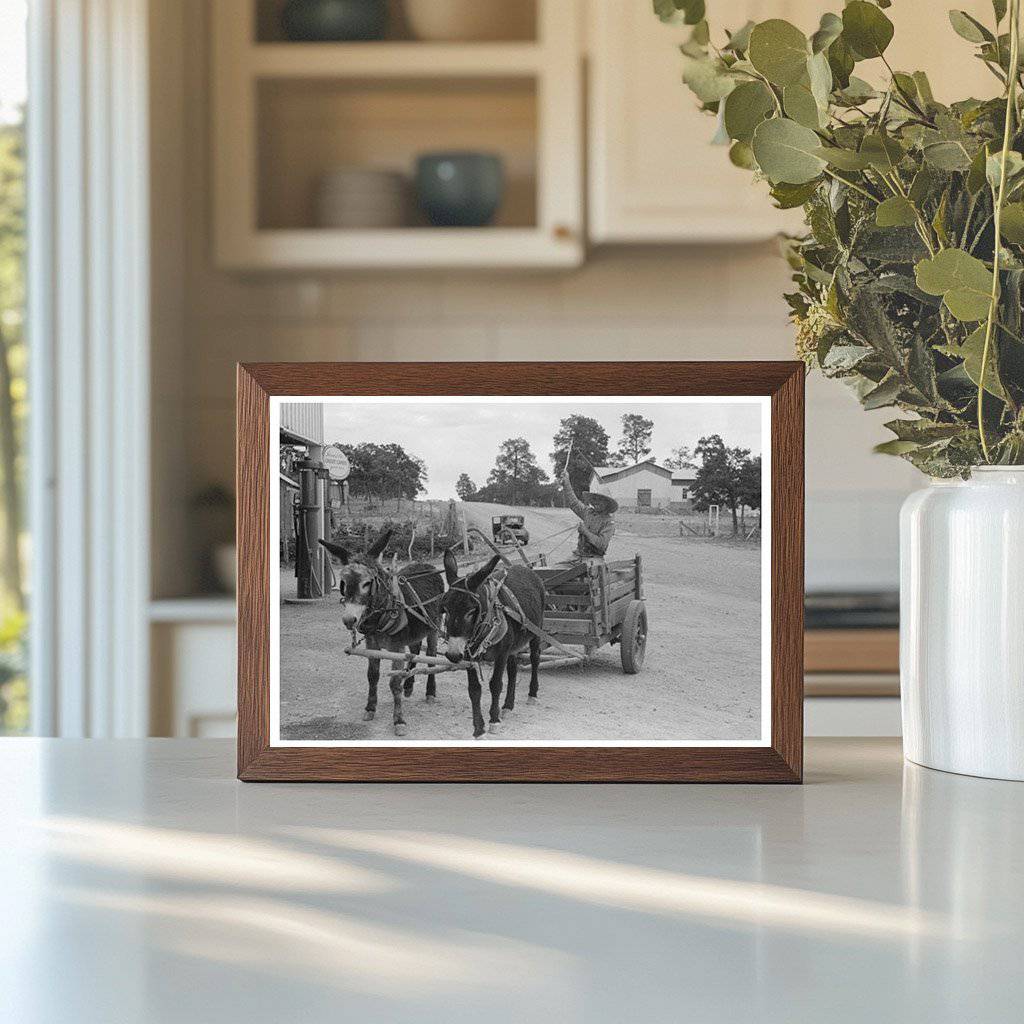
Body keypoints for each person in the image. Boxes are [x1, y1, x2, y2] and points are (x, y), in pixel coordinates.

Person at [560, 467, 617, 560]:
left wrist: (585, 531)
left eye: (600, 500)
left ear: (607, 503)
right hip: (578, 555)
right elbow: (574, 503)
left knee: (570, 573)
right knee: (558, 572)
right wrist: (566, 483)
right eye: (595, 499)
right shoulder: (588, 512)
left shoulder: (609, 522)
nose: (596, 502)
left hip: (595, 558)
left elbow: (602, 544)